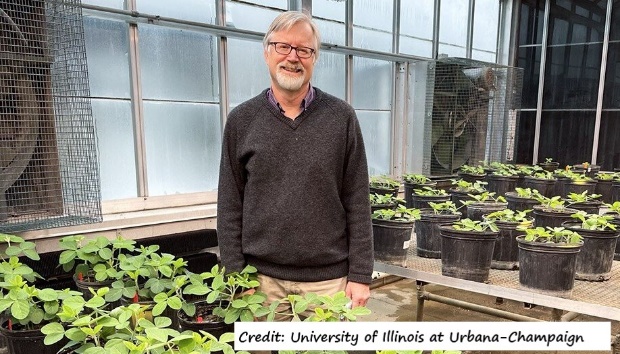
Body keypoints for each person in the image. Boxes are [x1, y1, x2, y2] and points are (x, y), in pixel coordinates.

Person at [216, 10, 373, 318]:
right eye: (282, 46)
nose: (293, 57)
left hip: (328, 282)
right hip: (260, 281)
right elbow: (230, 203)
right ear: (266, 53)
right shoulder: (241, 121)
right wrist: (236, 273)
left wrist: (360, 274)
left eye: (304, 50)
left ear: (314, 59)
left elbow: (358, 200)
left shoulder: (341, 118)